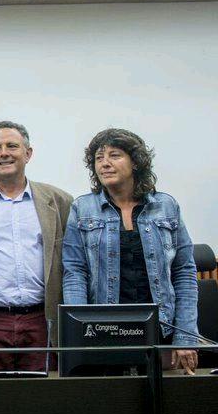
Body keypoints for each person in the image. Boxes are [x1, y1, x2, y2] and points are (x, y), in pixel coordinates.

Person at [62, 128, 199, 374]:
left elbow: (184, 273)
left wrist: (185, 336)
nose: (105, 163)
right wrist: (79, 334)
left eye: (114, 155)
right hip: (103, 331)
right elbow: (74, 273)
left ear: (135, 162)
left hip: (162, 330)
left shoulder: (166, 206)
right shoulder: (82, 209)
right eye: (98, 158)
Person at [0, 122, 72, 371]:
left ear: (28, 153)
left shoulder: (59, 201)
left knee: (41, 400)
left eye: (12, 146)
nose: (4, 153)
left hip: (43, 322)